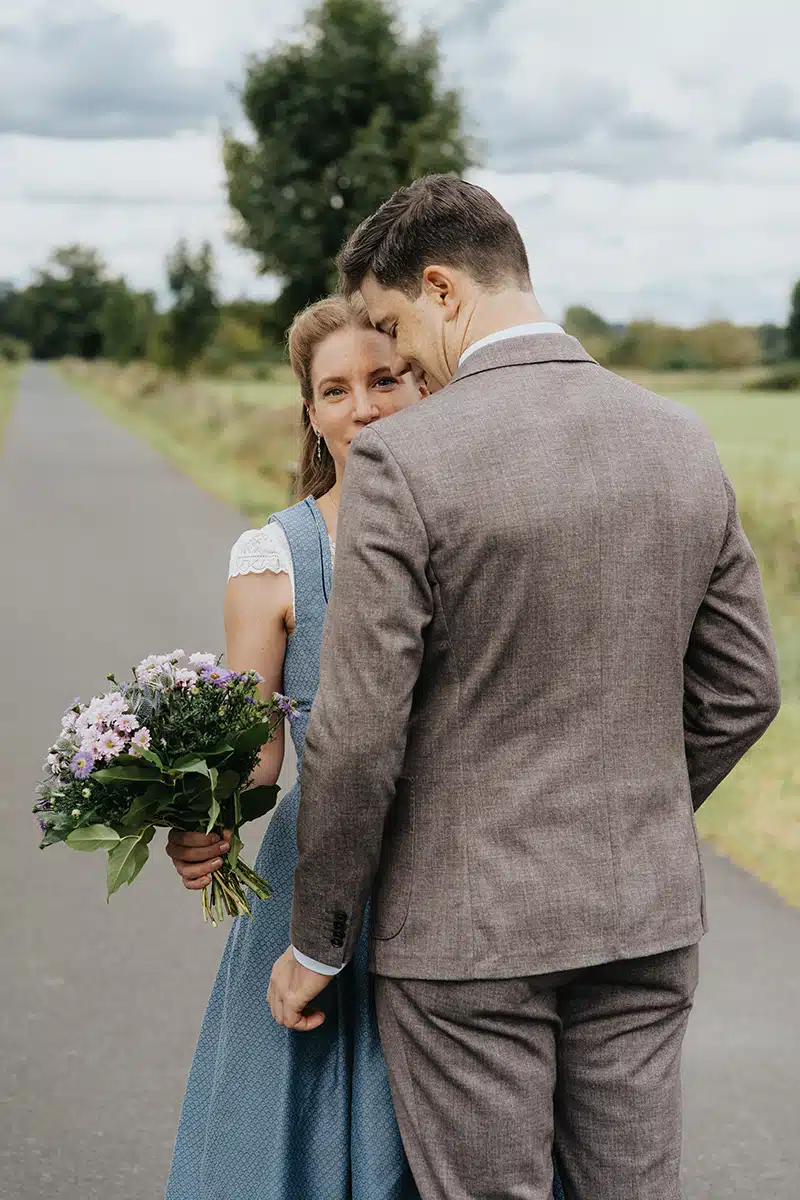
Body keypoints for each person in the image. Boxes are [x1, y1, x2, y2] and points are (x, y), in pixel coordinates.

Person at [267, 175, 781, 1200]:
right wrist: (625, 810)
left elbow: (359, 731)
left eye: (389, 322)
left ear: (442, 288)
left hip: (465, 934)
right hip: (639, 912)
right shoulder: (680, 438)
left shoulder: (403, 462)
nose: (394, 354)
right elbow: (743, 689)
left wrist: (318, 941)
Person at [163, 297, 427, 1200]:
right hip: (317, 869)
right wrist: (205, 817)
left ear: (421, 382)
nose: (365, 406)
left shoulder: (476, 527)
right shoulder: (274, 556)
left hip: (447, 868)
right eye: (337, 389)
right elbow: (258, 752)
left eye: (384, 379)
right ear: (311, 413)